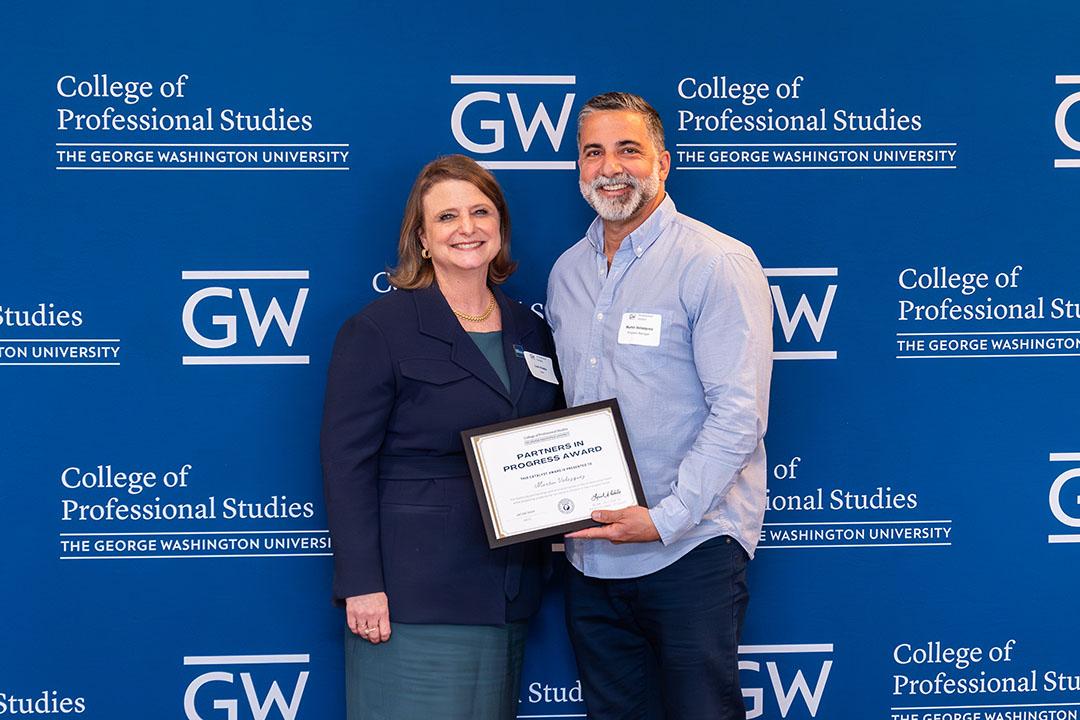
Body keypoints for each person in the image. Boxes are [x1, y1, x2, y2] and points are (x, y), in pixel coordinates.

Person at [545, 92, 773, 720]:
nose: (610, 166)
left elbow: (739, 415)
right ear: (579, 168)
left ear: (663, 163)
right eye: (593, 151)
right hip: (592, 557)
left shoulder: (716, 262)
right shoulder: (566, 273)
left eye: (628, 149)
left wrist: (665, 517)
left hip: (689, 548)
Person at [320, 155, 562, 720]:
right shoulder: (379, 329)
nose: (467, 228)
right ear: (423, 239)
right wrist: (361, 584)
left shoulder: (531, 328)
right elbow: (345, 463)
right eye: (447, 217)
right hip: (413, 595)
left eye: (481, 212)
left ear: (499, 227)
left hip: (508, 587)